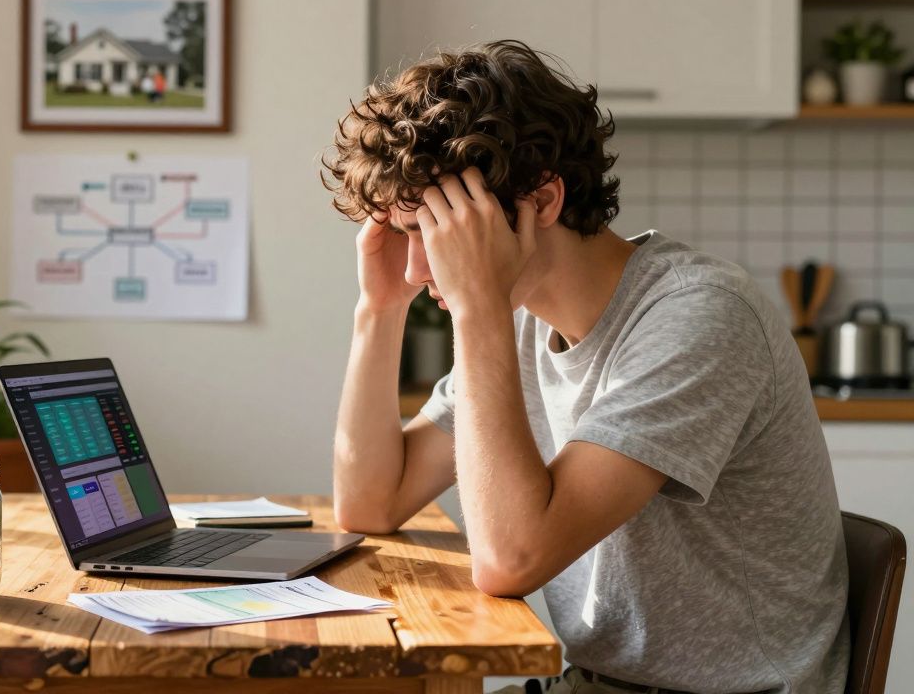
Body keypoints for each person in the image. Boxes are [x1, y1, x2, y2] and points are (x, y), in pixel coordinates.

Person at [322, 40, 849, 694]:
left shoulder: (700, 316)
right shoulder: (517, 321)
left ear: (541, 202)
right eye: (407, 233)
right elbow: (370, 501)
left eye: (435, 232)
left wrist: (476, 306)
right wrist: (378, 309)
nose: (417, 268)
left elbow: (510, 560)